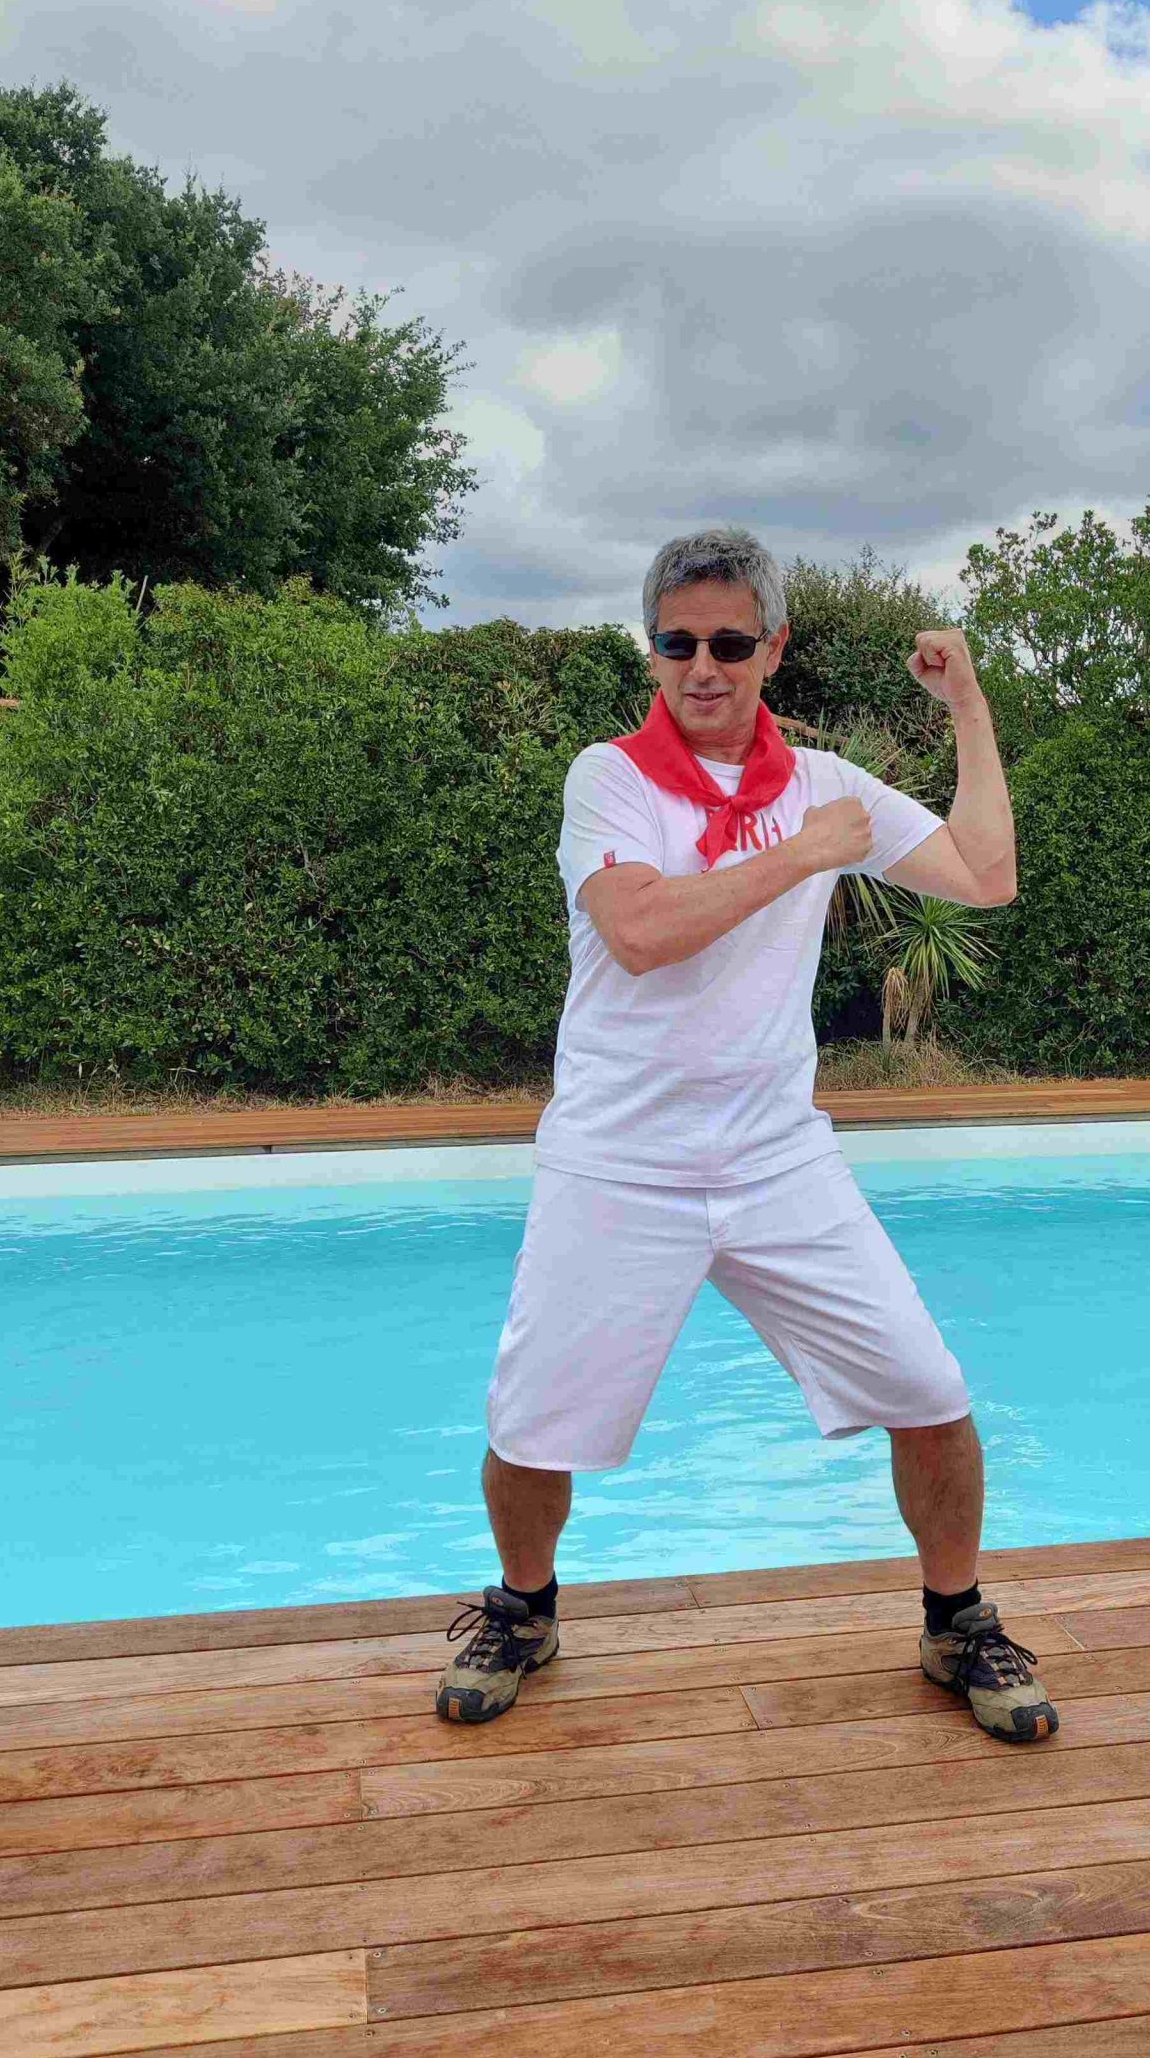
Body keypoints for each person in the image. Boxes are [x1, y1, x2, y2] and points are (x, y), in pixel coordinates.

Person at [436, 527, 1057, 1746]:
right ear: (652, 653)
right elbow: (643, 933)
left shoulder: (825, 783)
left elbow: (986, 873)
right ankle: (523, 1609)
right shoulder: (610, 779)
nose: (702, 668)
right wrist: (805, 852)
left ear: (774, 648)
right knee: (530, 1422)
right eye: (677, 644)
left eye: (729, 643)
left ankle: (956, 1622)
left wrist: (970, 712)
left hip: (778, 1156)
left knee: (931, 1392)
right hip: (617, 1159)